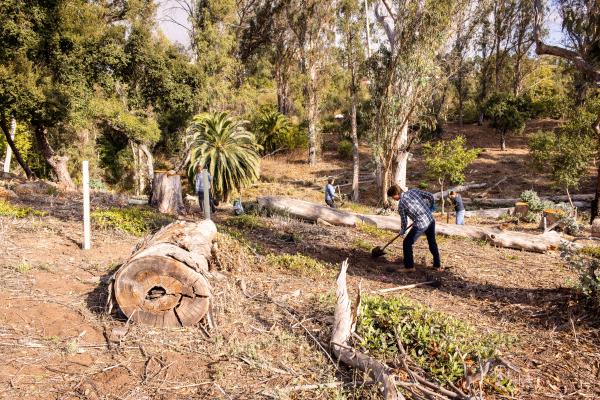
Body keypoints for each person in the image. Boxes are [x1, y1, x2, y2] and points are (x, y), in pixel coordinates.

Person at [387, 184, 442, 271]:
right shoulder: (414, 191)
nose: (393, 199)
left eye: (392, 197)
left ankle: (409, 267)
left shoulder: (401, 204)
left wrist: (402, 230)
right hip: (430, 219)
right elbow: (430, 196)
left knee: (407, 243)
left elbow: (404, 221)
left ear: (396, 194)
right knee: (432, 242)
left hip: (421, 223)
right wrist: (430, 207)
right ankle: (437, 265)